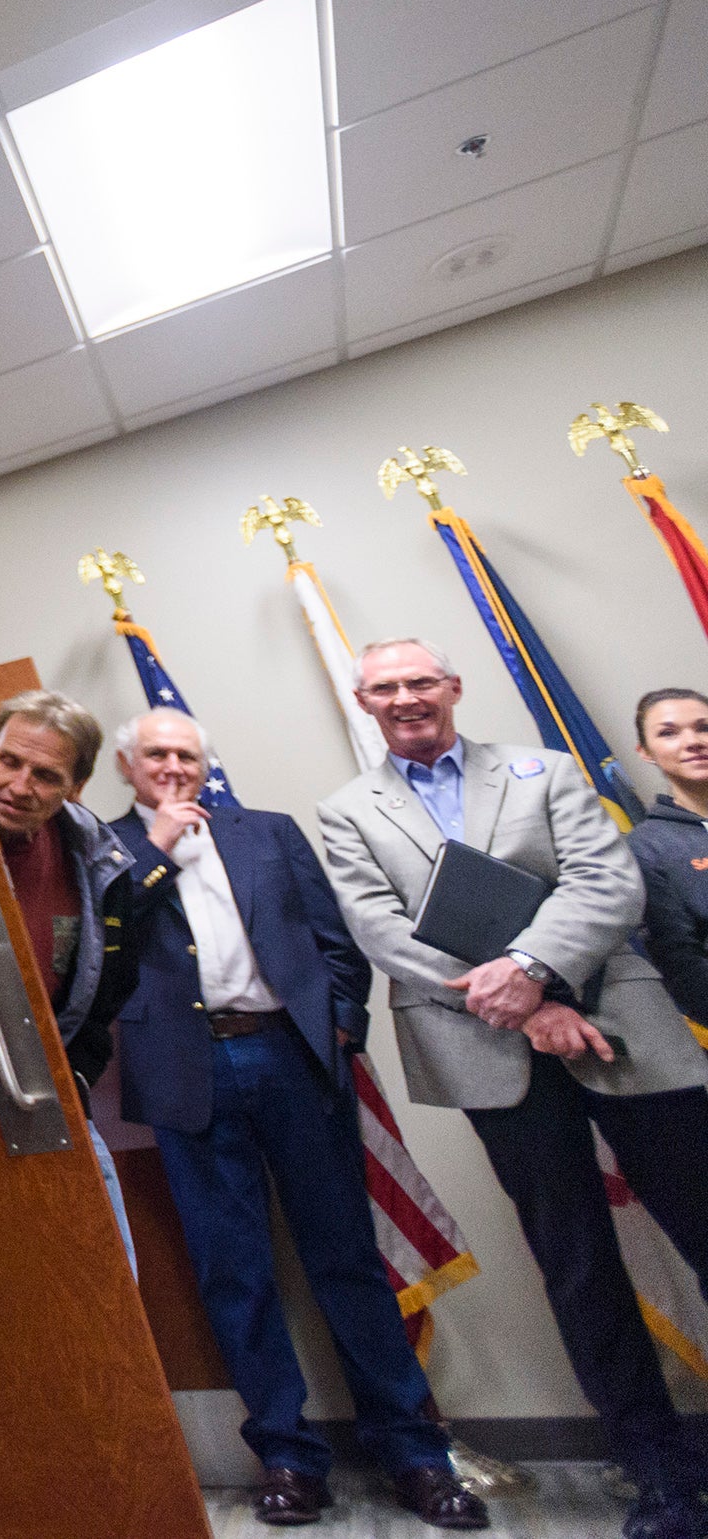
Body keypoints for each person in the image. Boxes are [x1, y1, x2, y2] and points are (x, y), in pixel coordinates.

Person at [318, 640, 708, 1539]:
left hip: (619, 1024)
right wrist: (524, 1008)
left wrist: (534, 969)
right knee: (577, 1266)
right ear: (365, 701)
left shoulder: (547, 770)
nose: (407, 697)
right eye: (387, 687)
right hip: (488, 1050)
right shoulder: (347, 811)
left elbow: (606, 884)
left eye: (422, 681)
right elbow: (384, 930)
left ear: (454, 687)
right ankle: (660, 1473)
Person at [107, 711, 482, 1530]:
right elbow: (93, 953)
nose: (175, 766)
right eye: (158, 755)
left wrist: (340, 1021)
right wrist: (154, 851)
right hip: (185, 1072)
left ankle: (415, 1451)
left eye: (189, 754)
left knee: (345, 1257)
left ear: (208, 763)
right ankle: (286, 1454)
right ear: (127, 765)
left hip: (290, 1058)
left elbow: (335, 940)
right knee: (232, 1271)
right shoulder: (105, 848)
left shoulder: (268, 831)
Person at [0, 689, 142, 1270]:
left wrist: (74, 1072)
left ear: (77, 786)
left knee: (108, 1273)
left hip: (50, 1087)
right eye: (9, 762)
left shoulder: (100, 858)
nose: (19, 787)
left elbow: (109, 988)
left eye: (45, 775)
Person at [628, 687, 708, 1028]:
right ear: (646, 752)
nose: (693, 741)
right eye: (669, 733)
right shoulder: (648, 847)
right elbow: (681, 964)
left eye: (703, 727)